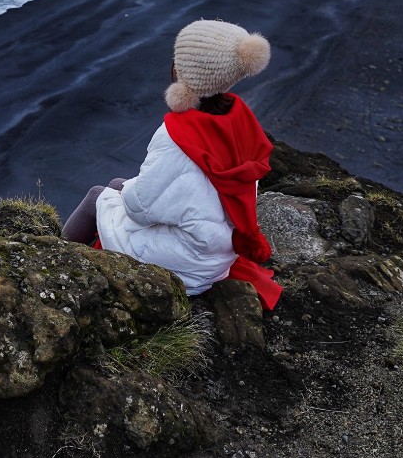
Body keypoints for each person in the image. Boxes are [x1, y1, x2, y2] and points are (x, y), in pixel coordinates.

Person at [61, 19, 281, 309]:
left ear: (182, 71)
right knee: (117, 185)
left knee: (96, 197)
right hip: (218, 251)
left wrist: (128, 191)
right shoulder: (239, 121)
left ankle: (55, 257)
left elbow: (139, 208)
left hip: (186, 266)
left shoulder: (179, 134)